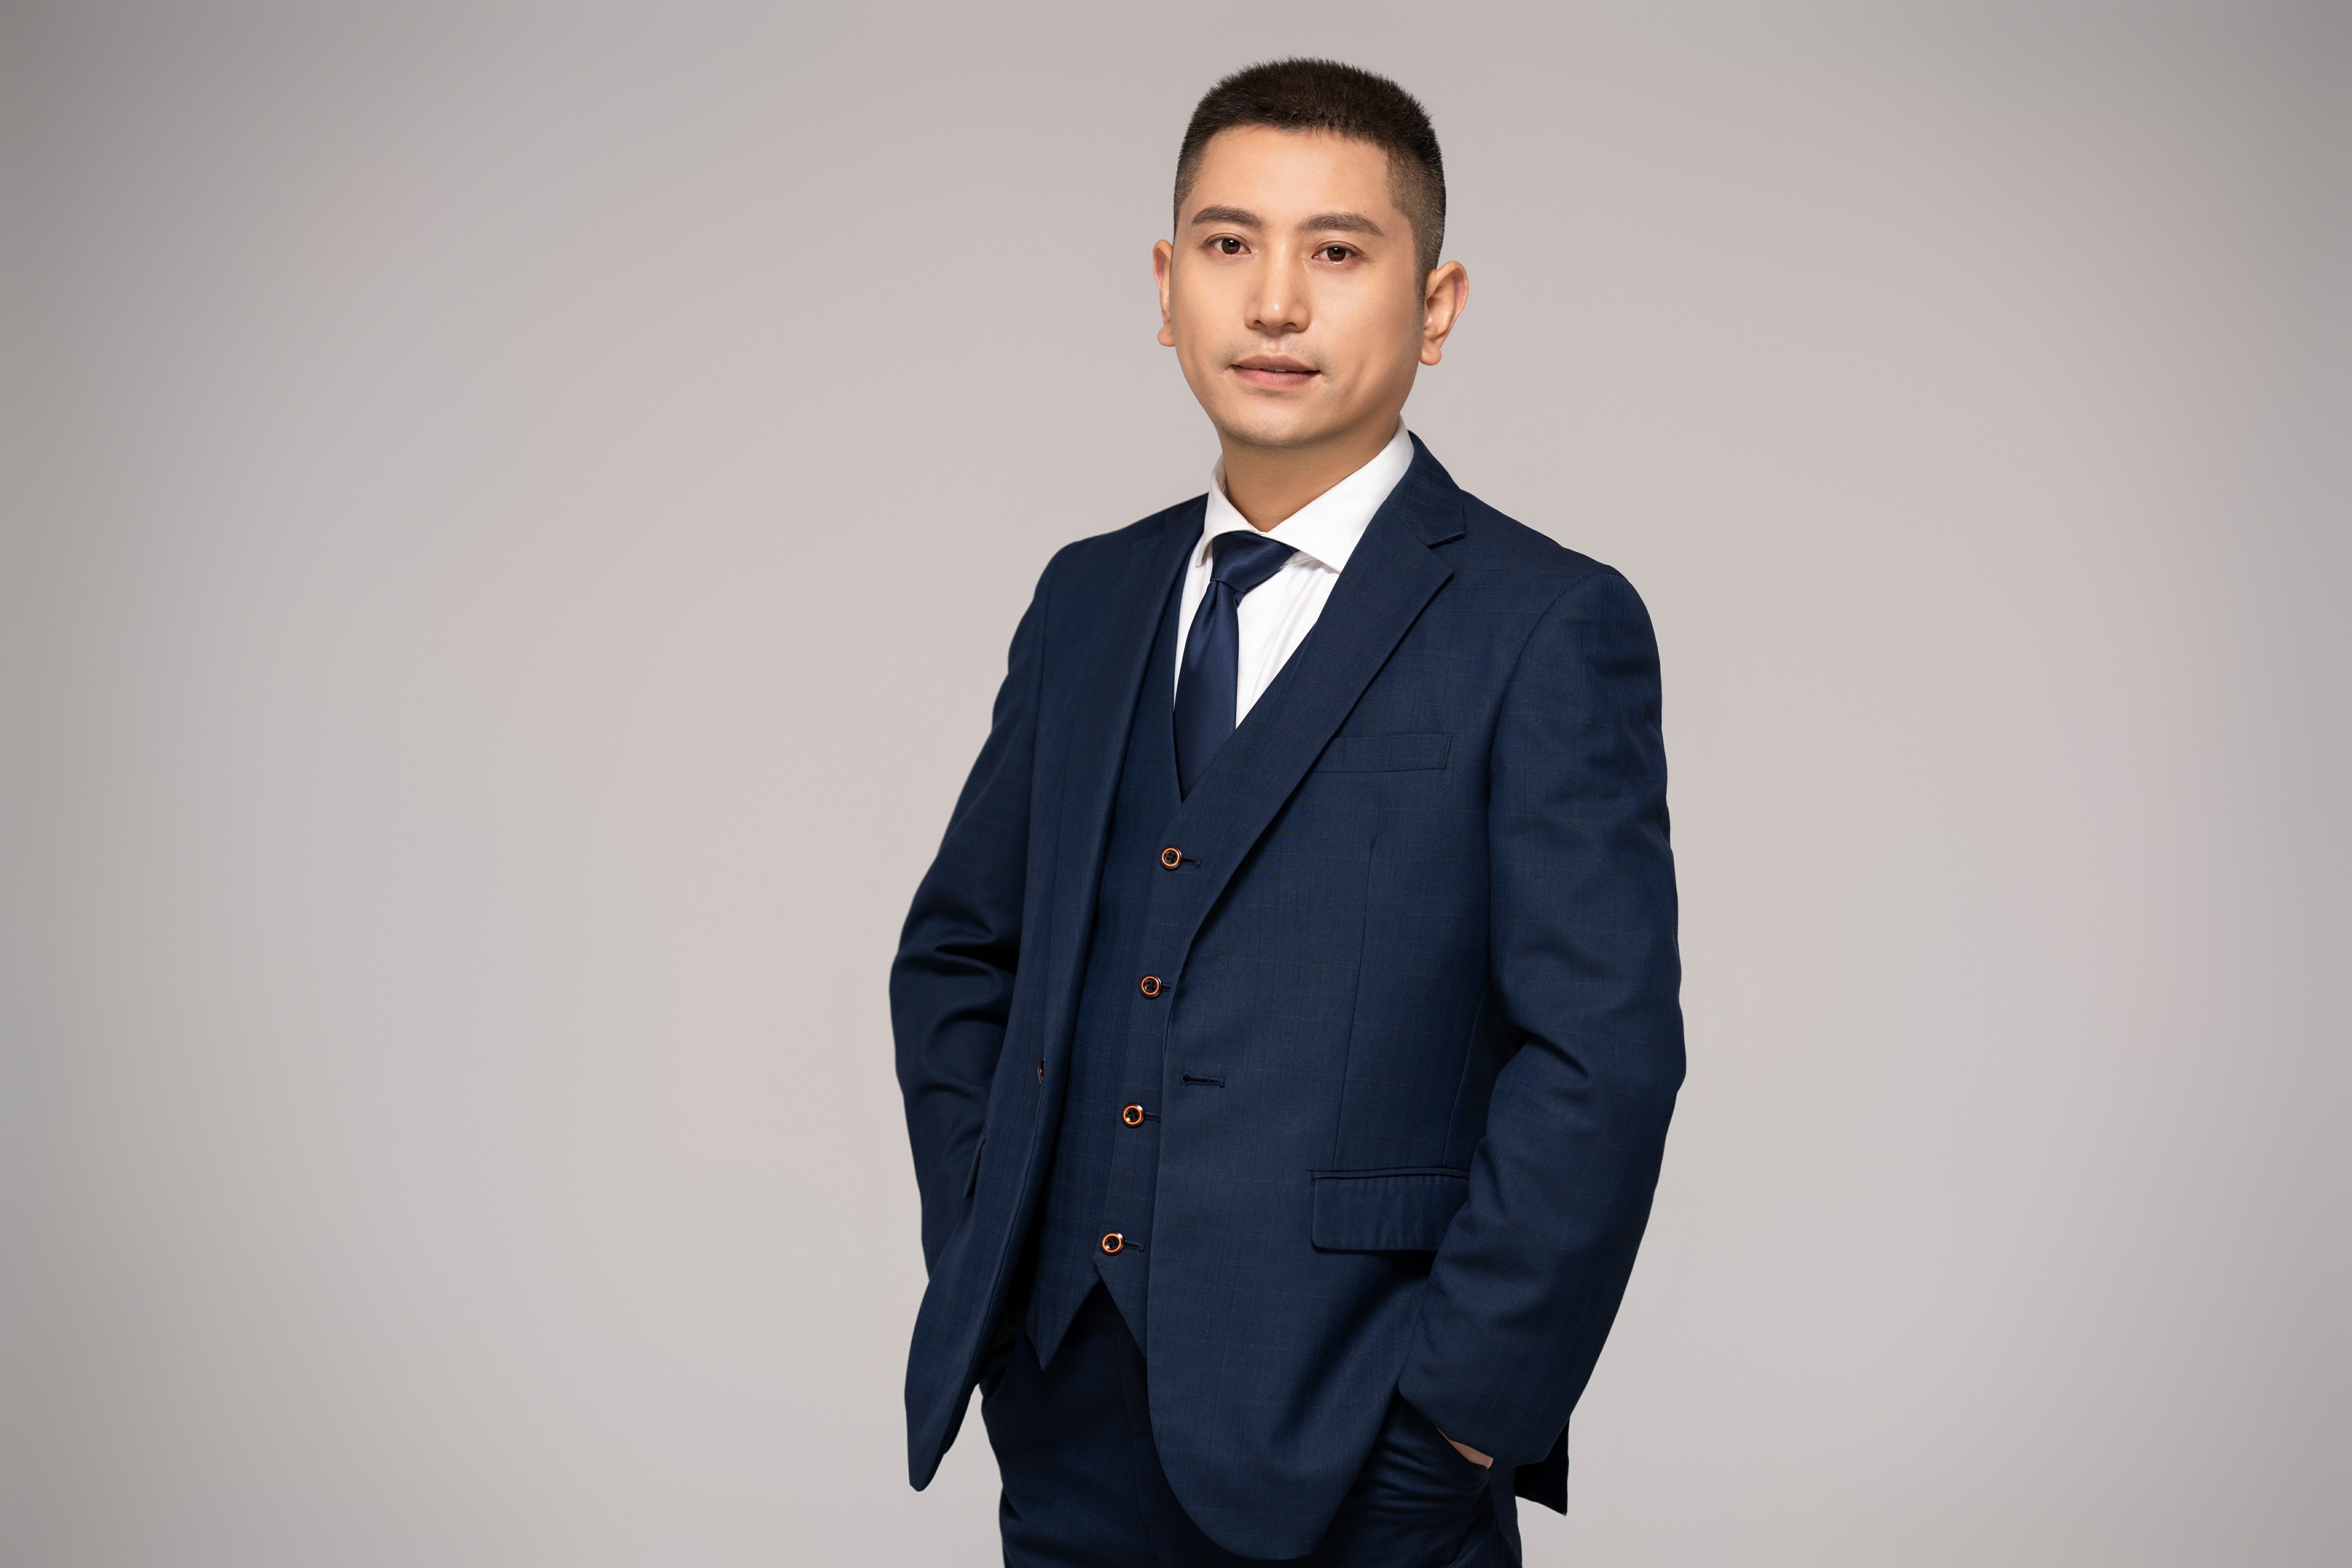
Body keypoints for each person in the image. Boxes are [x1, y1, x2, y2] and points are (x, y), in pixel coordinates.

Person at [891, 58, 1683, 1567]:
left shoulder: (1543, 623)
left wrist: (1451, 1429)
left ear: (1436, 306)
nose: (1273, 302)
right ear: (1166, 286)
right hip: (1066, 1433)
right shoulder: (1087, 598)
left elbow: (1604, 1061)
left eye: (1336, 251)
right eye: (1228, 243)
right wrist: (994, 1257)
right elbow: (957, 960)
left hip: (1360, 1452)